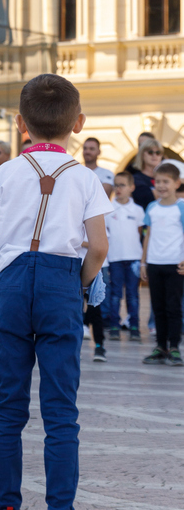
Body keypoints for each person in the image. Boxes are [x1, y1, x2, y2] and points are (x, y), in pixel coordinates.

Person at [0, 73, 111, 510]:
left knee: (7, 405)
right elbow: (98, 246)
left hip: (12, 284)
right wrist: (81, 284)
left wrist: (10, 266)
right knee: (61, 410)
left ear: (21, 124)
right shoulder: (86, 177)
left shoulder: (4, 172)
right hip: (61, 283)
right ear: (79, 123)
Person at [140, 163, 184, 366]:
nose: (161, 185)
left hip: (175, 265)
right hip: (154, 264)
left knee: (173, 307)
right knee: (157, 307)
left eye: (166, 181)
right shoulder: (152, 207)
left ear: (177, 183)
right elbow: (147, 235)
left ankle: (174, 347)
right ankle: (160, 346)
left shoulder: (181, 207)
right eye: (158, 181)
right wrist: (143, 262)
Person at [106, 170, 144, 342]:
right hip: (114, 258)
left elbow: (140, 233)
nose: (118, 189)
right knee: (115, 294)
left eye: (122, 185)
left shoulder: (138, 210)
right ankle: (114, 325)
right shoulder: (108, 209)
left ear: (131, 187)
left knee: (133, 294)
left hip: (133, 258)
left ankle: (134, 326)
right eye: (116, 185)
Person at [130, 139, 164, 211]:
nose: (154, 155)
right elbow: (148, 198)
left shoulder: (166, 177)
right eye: (150, 152)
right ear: (142, 155)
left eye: (158, 153)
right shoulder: (135, 179)